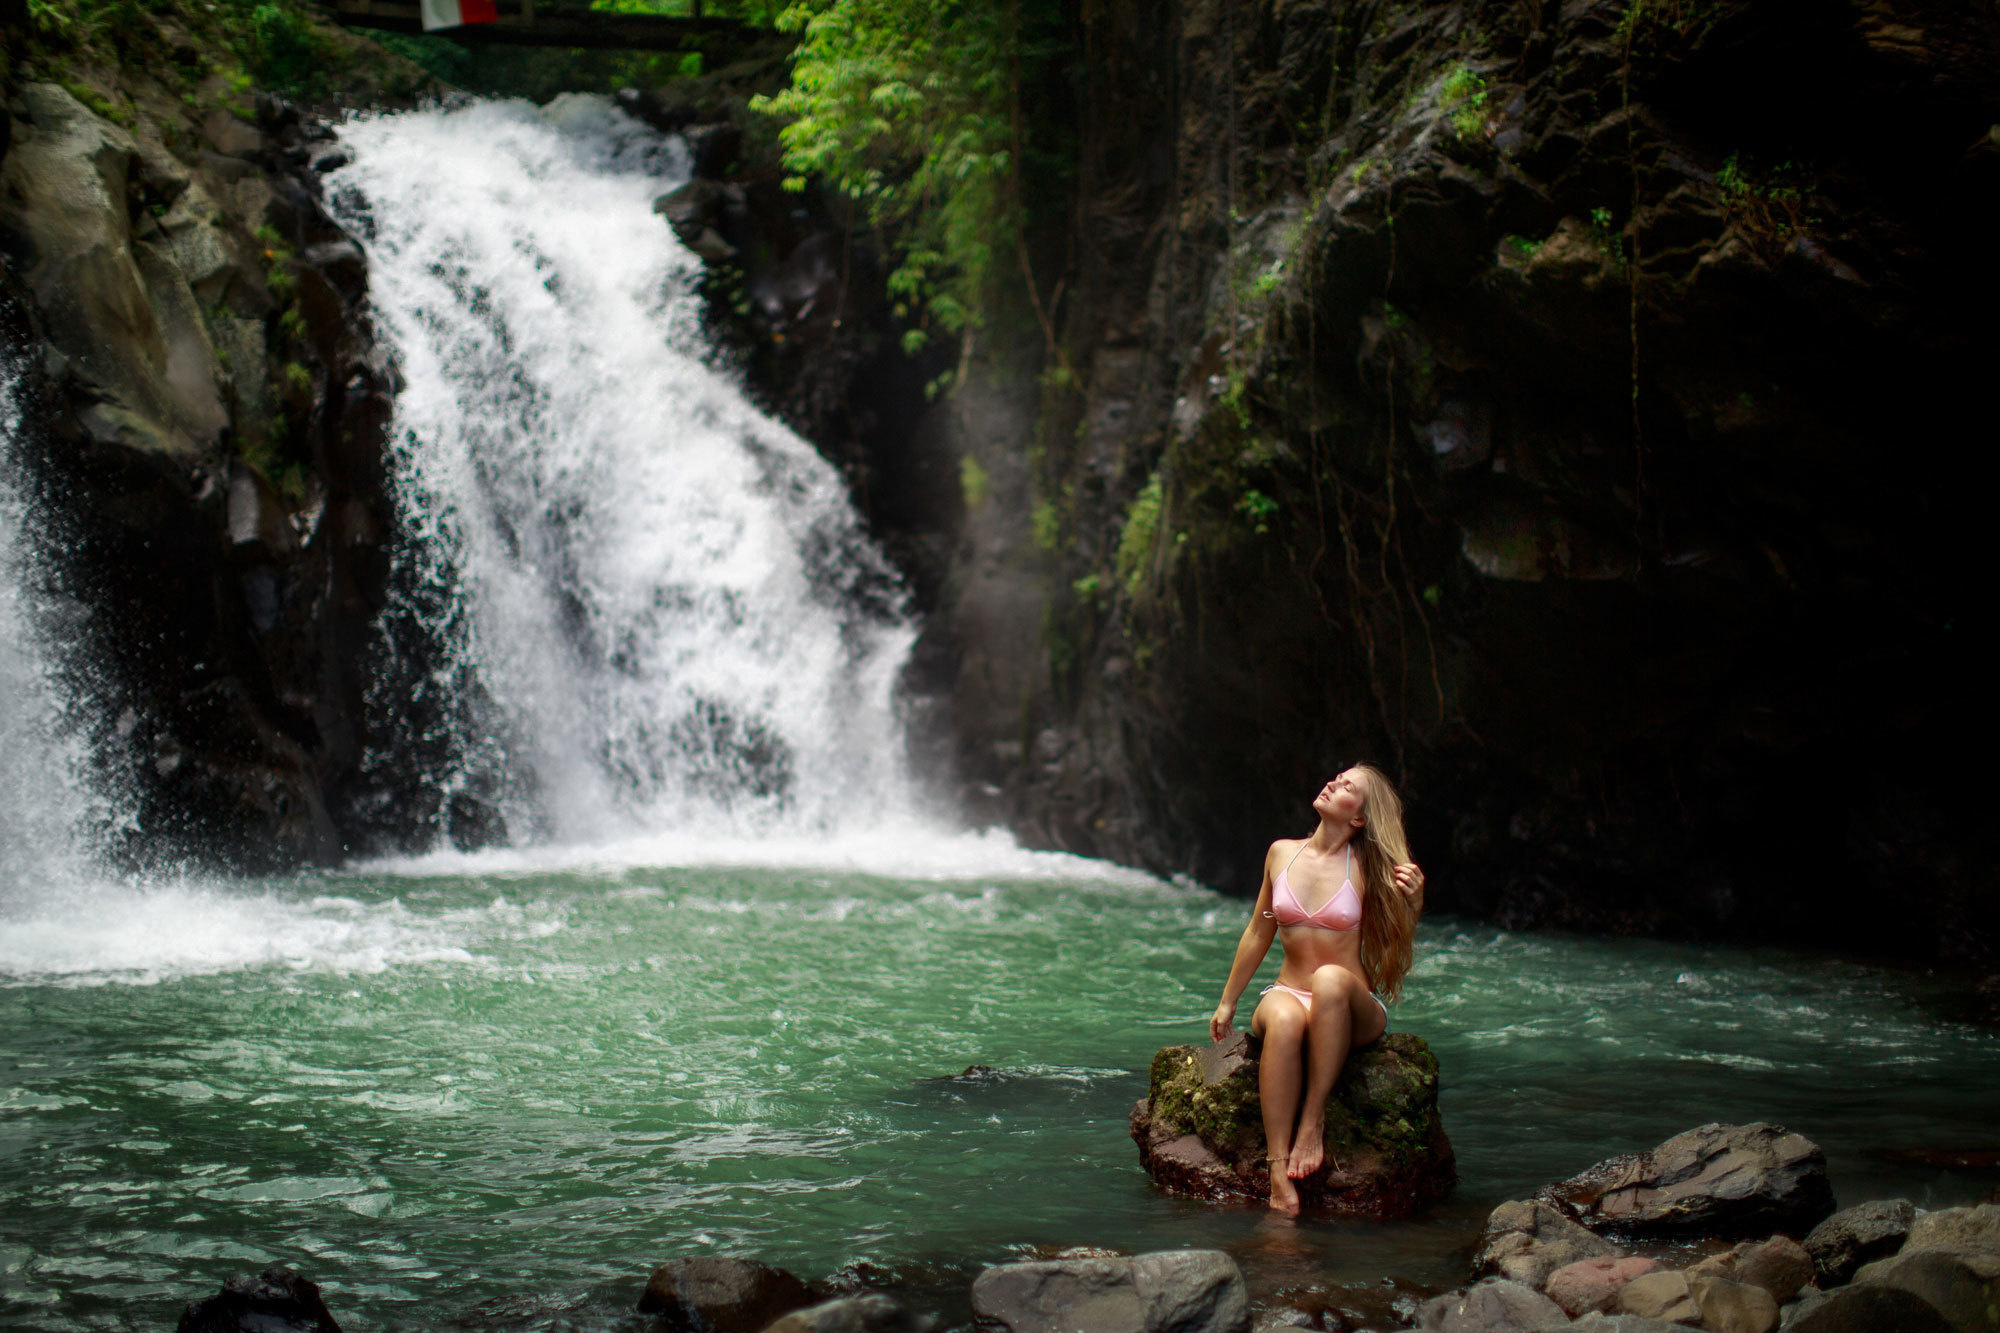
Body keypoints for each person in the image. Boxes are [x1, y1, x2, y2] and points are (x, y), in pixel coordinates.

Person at [1208, 765, 1426, 1214]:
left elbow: (1392, 944)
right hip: (1288, 991)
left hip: (1348, 1003)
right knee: (1284, 1017)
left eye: (1348, 787)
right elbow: (1257, 931)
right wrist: (1227, 1002)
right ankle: (1276, 1171)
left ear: (1360, 819)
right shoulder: (1280, 853)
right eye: (1337, 778)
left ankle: (1313, 1119)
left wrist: (1414, 903)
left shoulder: (1369, 867)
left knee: (1328, 977)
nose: (1332, 784)